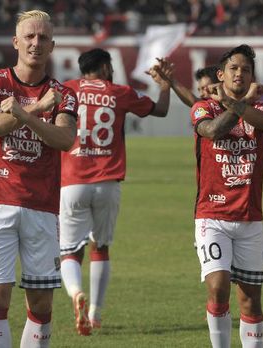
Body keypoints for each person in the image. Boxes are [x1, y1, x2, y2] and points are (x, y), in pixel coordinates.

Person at [0, 10, 78, 348]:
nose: (35, 42)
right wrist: (39, 109)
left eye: (43, 37)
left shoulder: (63, 93)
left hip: (41, 205)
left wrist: (26, 111)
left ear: (53, 45)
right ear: (16, 41)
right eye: (29, 36)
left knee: (41, 303)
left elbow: (64, 140)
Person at [58, 48, 171, 336]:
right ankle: (94, 313)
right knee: (102, 247)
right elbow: (160, 110)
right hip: (108, 182)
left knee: (69, 251)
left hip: (72, 180)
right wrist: (165, 86)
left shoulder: (66, 89)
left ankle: (75, 295)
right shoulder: (119, 92)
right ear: (106, 67)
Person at [189, 44, 263, 348]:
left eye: (246, 69)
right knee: (219, 286)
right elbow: (212, 131)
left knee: (250, 301)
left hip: (250, 219)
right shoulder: (203, 107)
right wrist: (240, 102)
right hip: (212, 217)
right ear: (221, 74)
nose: (240, 73)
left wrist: (243, 102)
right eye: (234, 68)